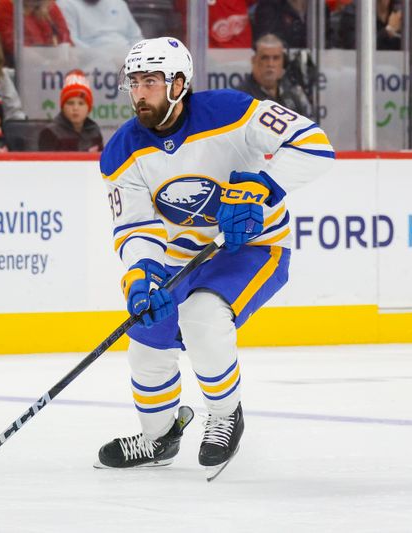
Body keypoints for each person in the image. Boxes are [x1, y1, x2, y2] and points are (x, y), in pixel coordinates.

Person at [95, 37, 334, 476]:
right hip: (180, 255)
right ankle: (158, 438)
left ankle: (225, 414)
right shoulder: (121, 151)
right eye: (134, 82)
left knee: (203, 315)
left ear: (179, 83)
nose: (139, 92)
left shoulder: (231, 110)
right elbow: (135, 227)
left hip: (252, 247)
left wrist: (262, 187)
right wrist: (142, 276)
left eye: (151, 81)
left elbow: (315, 144)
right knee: (147, 340)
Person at [236, 33, 312, 120]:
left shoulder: (292, 94)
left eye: (276, 58)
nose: (270, 64)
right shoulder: (242, 98)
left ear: (283, 62)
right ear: (254, 60)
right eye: (264, 58)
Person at [38, 69, 102, 151]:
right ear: (63, 107)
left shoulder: (94, 131)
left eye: (81, 103)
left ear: (88, 108)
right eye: (70, 103)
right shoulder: (50, 133)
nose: (75, 108)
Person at [0, 0, 72, 62]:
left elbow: (65, 37)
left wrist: (71, 56)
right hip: (22, 71)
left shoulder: (50, 6)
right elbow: (13, 46)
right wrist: (48, 63)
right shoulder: (5, 6)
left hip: (56, 67)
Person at [56, 0, 142, 50]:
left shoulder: (118, 3)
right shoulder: (65, 4)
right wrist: (103, 57)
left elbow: (135, 37)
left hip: (127, 58)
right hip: (92, 64)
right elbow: (71, 42)